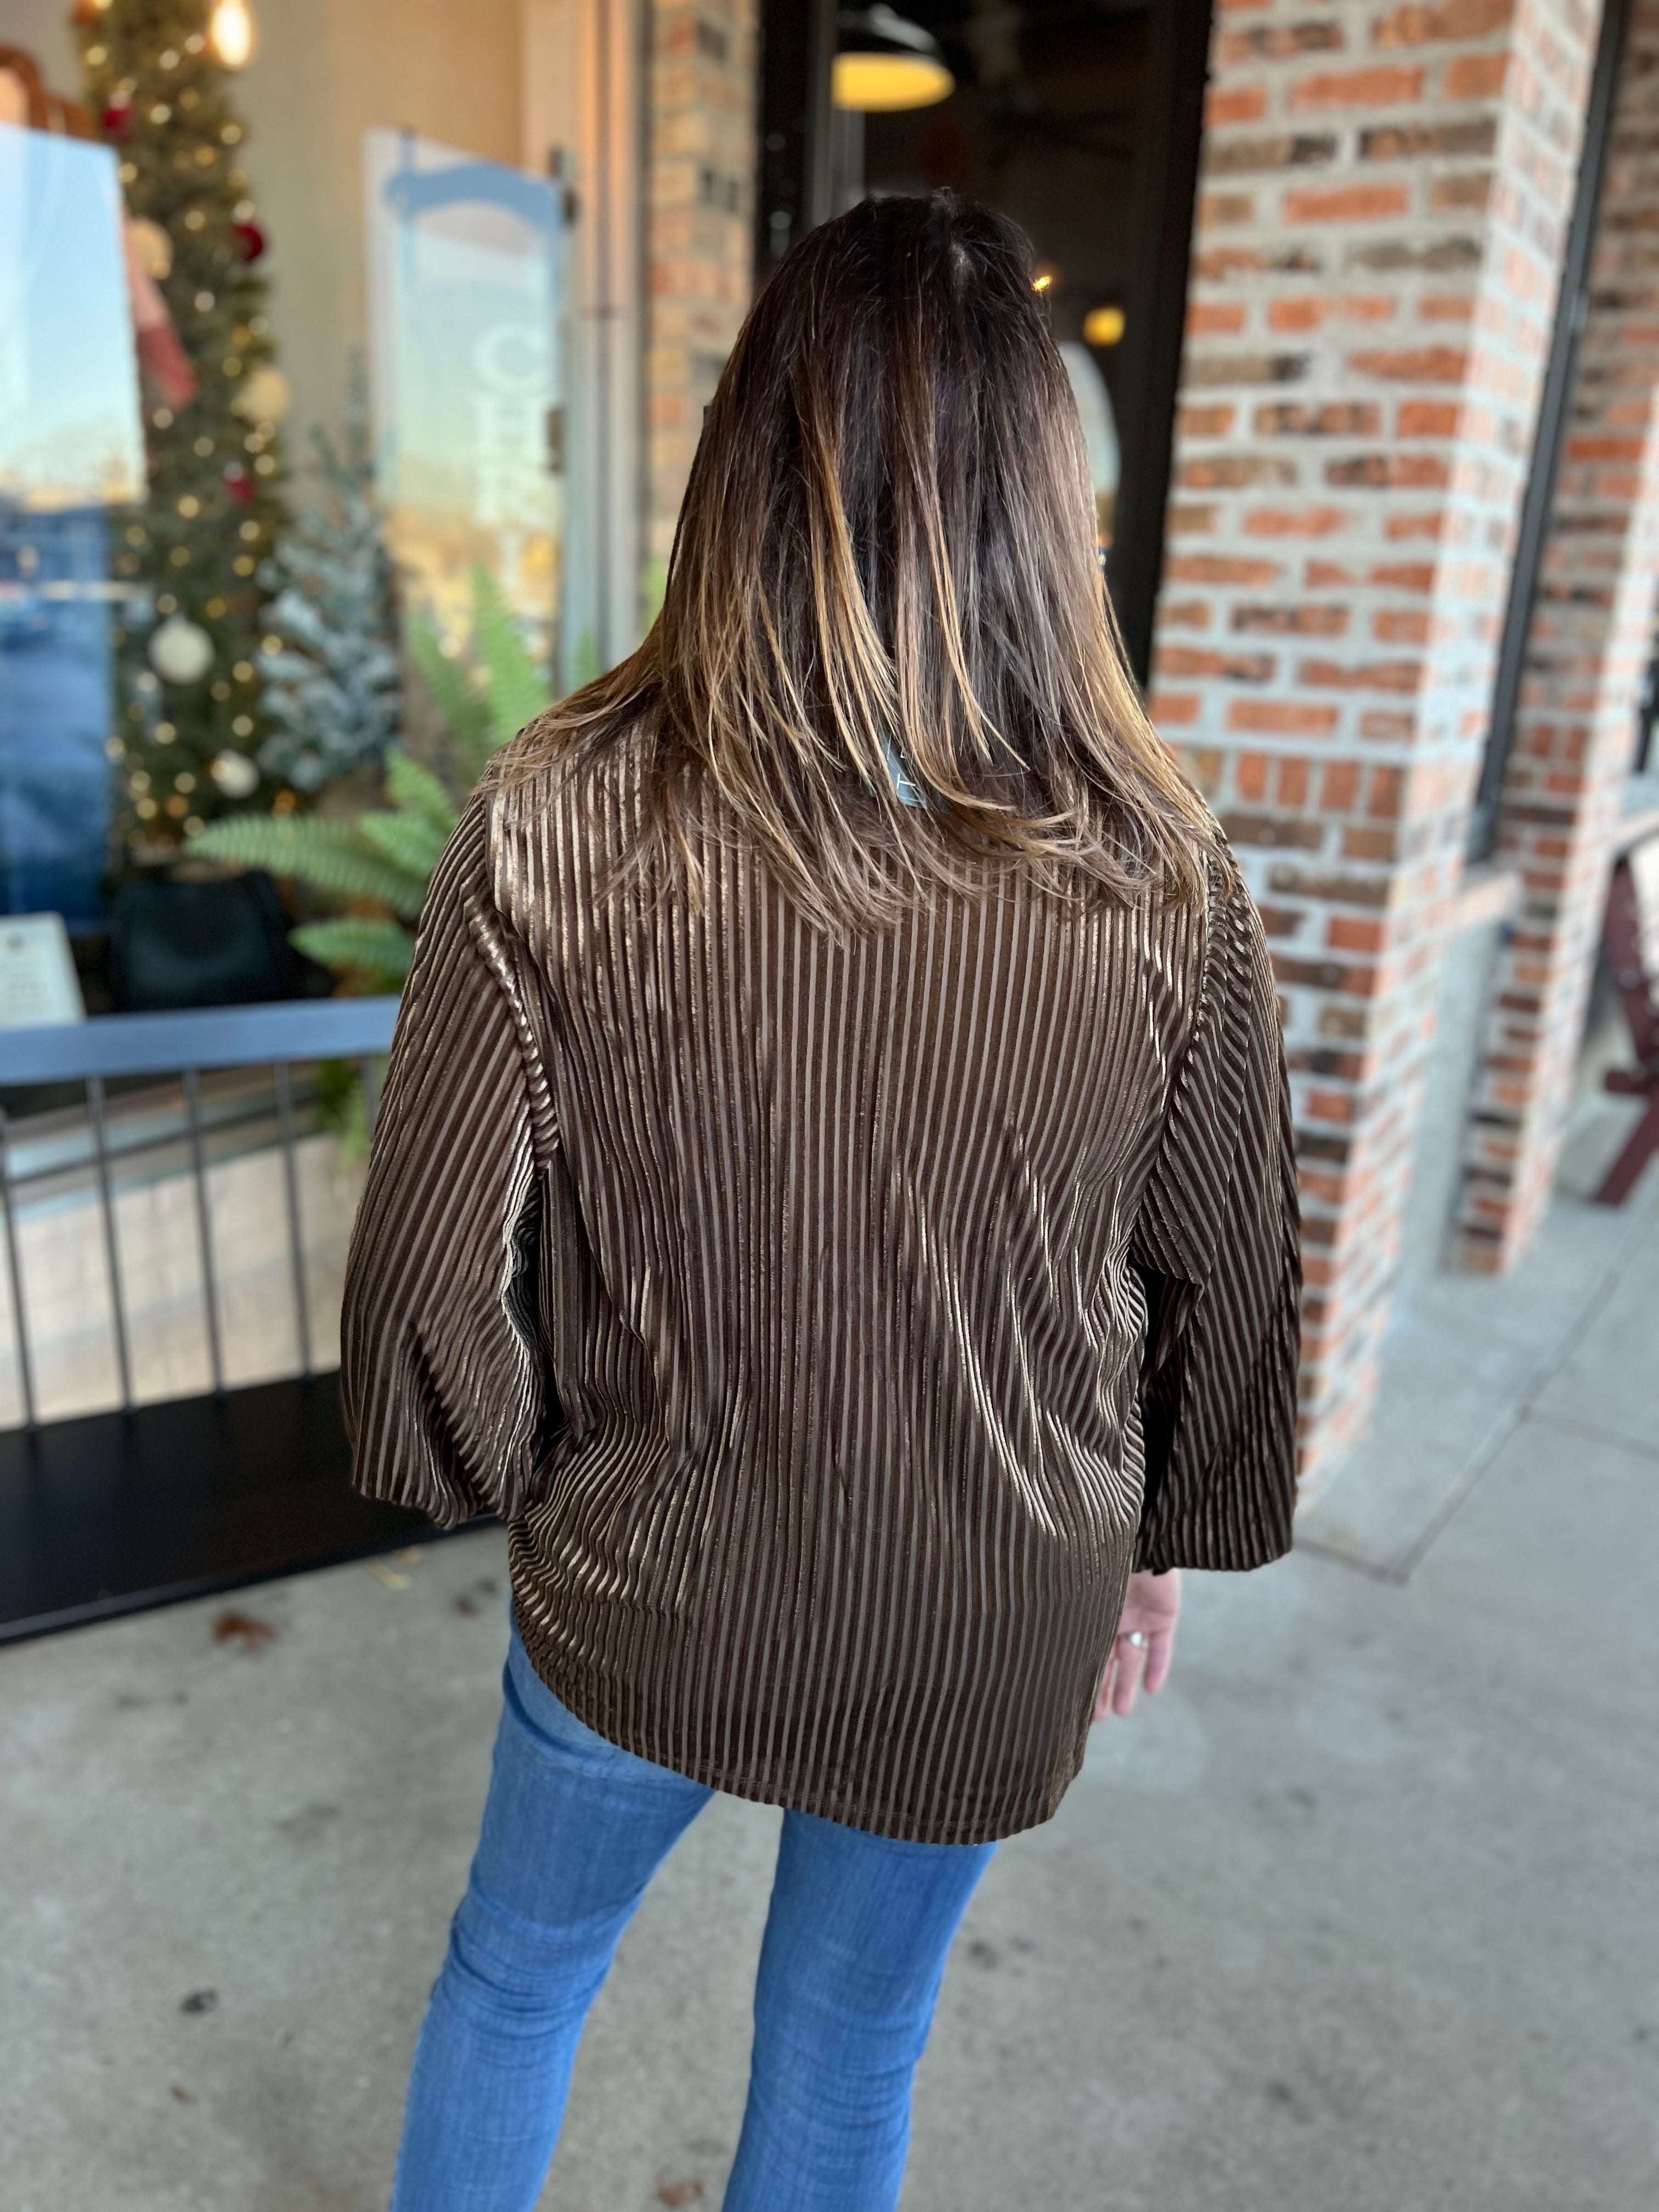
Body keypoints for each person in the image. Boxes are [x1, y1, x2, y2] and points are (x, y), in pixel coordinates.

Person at [341, 190, 1300, 2212]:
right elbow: (1220, 1275)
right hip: (981, 1599)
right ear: (1049, 506)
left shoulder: (556, 813)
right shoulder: (1161, 871)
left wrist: (524, 1479)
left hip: (650, 1574)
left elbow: (429, 1269)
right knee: (853, 2053)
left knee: (515, 1978)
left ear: (743, 463)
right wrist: (1155, 1550)